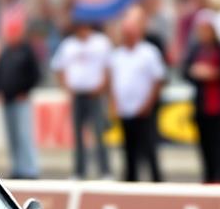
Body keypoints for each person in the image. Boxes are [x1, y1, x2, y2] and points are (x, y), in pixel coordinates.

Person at [51, 21, 112, 179]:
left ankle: (105, 170)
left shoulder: (101, 42)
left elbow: (109, 67)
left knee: (99, 133)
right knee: (78, 135)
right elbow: (58, 67)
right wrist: (66, 87)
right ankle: (79, 171)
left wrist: (103, 86)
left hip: (95, 94)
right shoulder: (69, 45)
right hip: (78, 94)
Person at [111, 10, 166, 182]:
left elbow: (158, 80)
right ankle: (130, 181)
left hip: (144, 109)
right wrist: (114, 103)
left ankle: (157, 181)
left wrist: (148, 104)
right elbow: (112, 81)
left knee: (149, 148)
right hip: (125, 109)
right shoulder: (117, 55)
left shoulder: (149, 52)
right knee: (128, 150)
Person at [182, 11, 220, 184]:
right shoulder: (196, 49)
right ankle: (209, 176)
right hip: (201, 102)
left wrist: (213, 74)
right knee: (203, 142)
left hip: (216, 102)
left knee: (217, 141)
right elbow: (185, 71)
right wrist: (196, 72)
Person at [0, 17, 41, 179]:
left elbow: (35, 75)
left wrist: (25, 91)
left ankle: (30, 169)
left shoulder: (26, 52)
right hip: (7, 99)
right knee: (12, 136)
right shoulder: (5, 52)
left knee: (24, 135)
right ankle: (17, 167)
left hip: (20, 99)